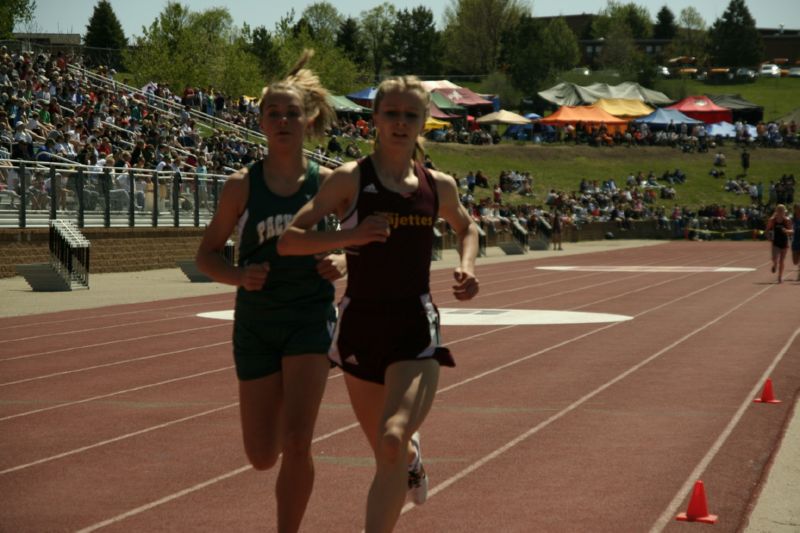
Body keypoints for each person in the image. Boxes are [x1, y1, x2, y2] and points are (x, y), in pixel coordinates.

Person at [277, 76, 479, 533]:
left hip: (414, 324)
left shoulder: (437, 185)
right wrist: (349, 239)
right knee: (390, 448)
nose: (401, 123)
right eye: (392, 114)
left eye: (411, 115)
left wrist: (468, 267)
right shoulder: (351, 179)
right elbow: (290, 241)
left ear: (423, 121)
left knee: (390, 438)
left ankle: (402, 458)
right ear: (375, 120)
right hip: (360, 326)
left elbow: (467, 228)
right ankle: (412, 459)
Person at [194, 50, 345, 533]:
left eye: (292, 113)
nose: (282, 120)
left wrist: (344, 259)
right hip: (257, 326)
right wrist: (238, 276)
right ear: (260, 121)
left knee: (298, 443)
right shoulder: (241, 187)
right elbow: (207, 255)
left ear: (310, 118)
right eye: (273, 113)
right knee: (261, 456)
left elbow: (367, 241)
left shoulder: (331, 184)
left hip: (309, 318)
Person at [765, 204, 793, 283]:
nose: (781, 212)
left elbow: (792, 231)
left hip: (784, 242)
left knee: (782, 261)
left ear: (784, 211)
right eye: (779, 210)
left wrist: (786, 231)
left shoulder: (787, 220)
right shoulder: (772, 220)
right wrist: (768, 236)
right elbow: (767, 229)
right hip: (776, 242)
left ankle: (780, 277)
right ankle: (774, 265)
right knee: (774, 258)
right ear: (776, 211)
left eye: (782, 211)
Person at [792, 203, 800, 281]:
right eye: (796, 208)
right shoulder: (793, 219)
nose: (798, 210)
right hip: (795, 242)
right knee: (795, 261)